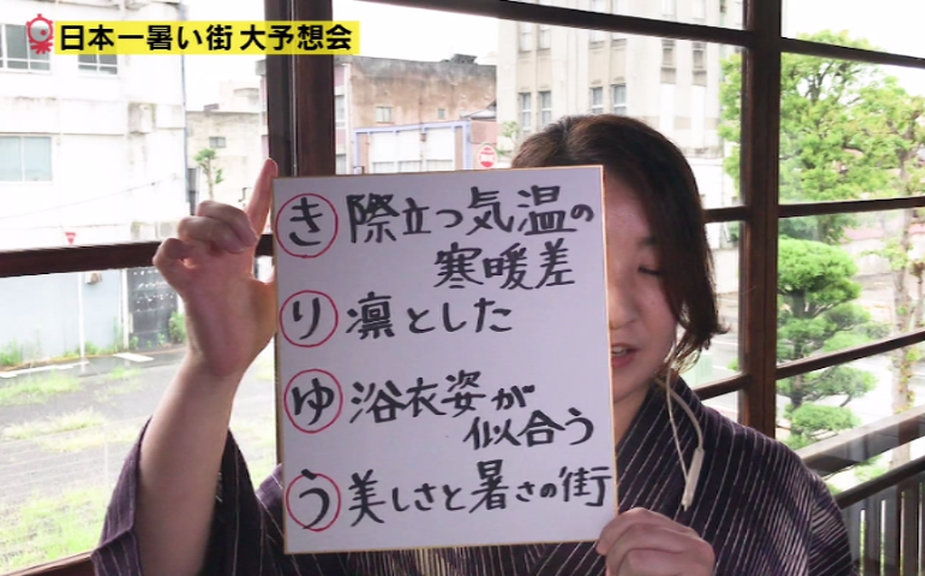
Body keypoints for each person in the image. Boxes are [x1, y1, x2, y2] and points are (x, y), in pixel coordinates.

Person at [93, 114, 854, 576]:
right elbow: (179, 567)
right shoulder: (380, 461)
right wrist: (213, 370)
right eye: (572, 269)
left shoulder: (773, 493)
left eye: (651, 269)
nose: (616, 309)